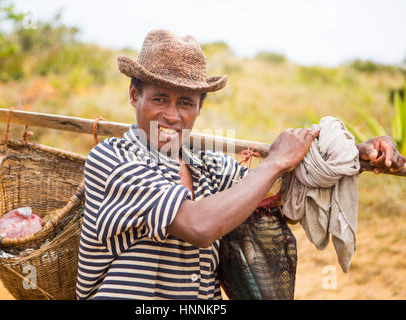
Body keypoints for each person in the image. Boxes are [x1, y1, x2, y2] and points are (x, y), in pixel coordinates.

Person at [76, 30, 405, 300]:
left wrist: (354, 157)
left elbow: (279, 191)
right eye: (160, 98)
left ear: (200, 108)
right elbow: (199, 226)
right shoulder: (113, 159)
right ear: (135, 96)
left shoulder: (208, 164)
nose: (173, 116)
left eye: (186, 103)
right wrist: (275, 161)